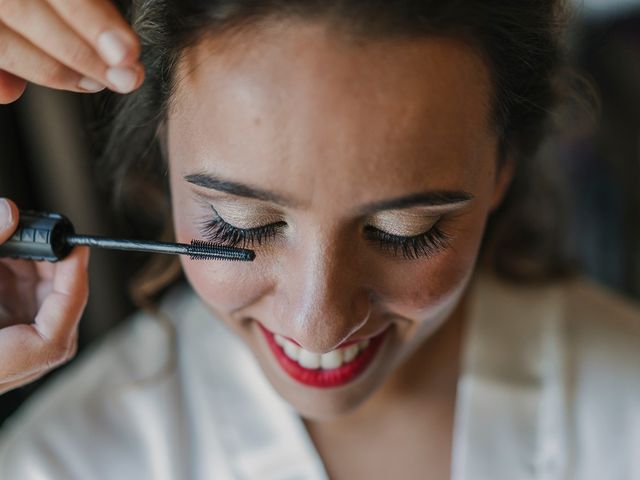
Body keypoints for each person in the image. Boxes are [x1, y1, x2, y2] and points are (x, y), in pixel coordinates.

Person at [0, 1, 639, 478]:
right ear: (163, 149)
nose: (319, 325)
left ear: (502, 167)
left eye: (405, 232)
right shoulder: (61, 462)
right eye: (241, 224)